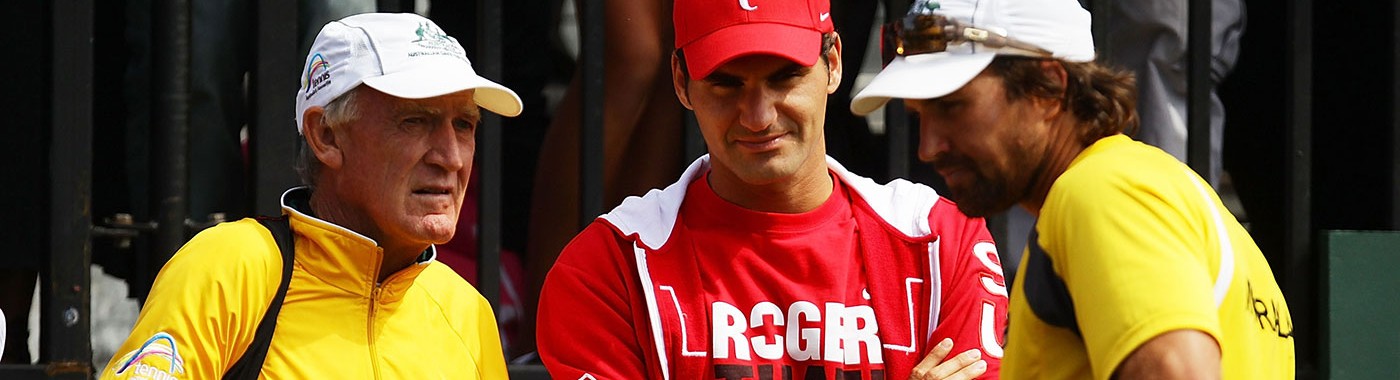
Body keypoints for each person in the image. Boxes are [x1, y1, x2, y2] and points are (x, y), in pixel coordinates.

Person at [535, 0, 1008, 378]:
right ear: (682, 82)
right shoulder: (604, 268)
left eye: (784, 77)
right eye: (725, 84)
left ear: (834, 63)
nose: (758, 116)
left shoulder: (943, 240)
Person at [850, 0, 1295, 378]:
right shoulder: (1160, 187)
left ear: (1048, 88)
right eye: (917, 117)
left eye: (951, 107)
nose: (928, 147)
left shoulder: (1101, 195)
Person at [100, 13, 522, 379]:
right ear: (325, 135)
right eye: (415, 121)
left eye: (464, 125)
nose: (451, 157)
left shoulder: (467, 312)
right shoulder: (231, 268)